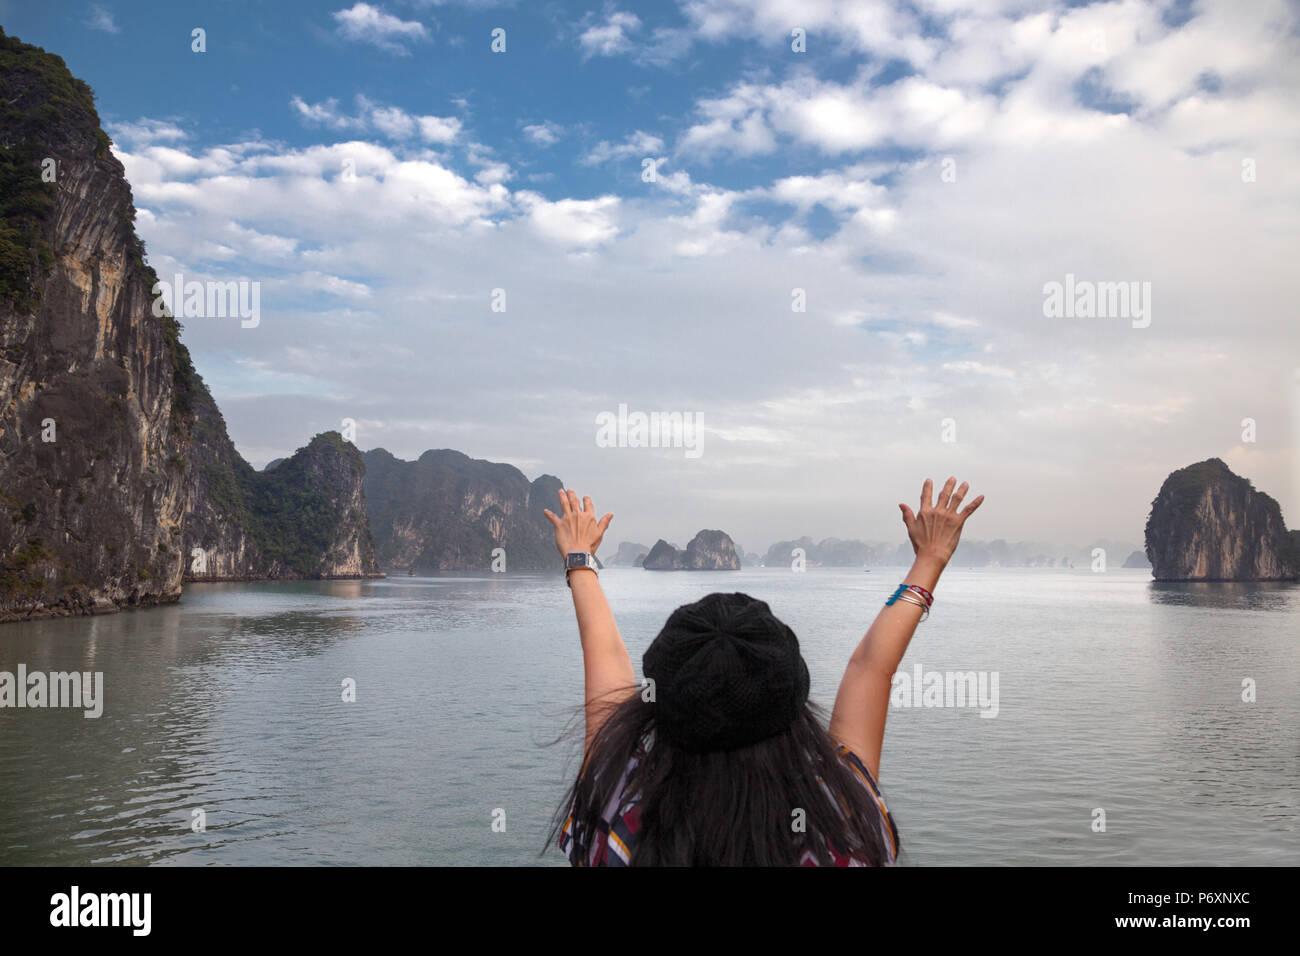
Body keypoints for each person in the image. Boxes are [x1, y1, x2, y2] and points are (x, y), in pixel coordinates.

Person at [543, 477, 984, 866]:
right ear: (794, 709)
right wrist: (930, 558)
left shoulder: (616, 812)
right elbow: (871, 669)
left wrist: (580, 560)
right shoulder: (845, 830)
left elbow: (604, 662)